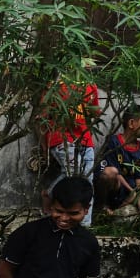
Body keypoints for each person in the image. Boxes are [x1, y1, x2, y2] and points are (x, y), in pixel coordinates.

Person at [40, 79, 100, 225]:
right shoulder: (55, 83)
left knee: (88, 179)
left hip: (84, 137)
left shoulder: (90, 84)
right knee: (73, 171)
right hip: (60, 136)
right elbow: (42, 116)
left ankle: (85, 225)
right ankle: (51, 194)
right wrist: (43, 144)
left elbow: (94, 112)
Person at [97, 105, 140, 212]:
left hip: (132, 189)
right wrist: (132, 192)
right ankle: (104, 207)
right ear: (131, 123)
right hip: (118, 189)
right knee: (109, 172)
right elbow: (115, 173)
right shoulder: (113, 142)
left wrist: (139, 196)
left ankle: (130, 204)